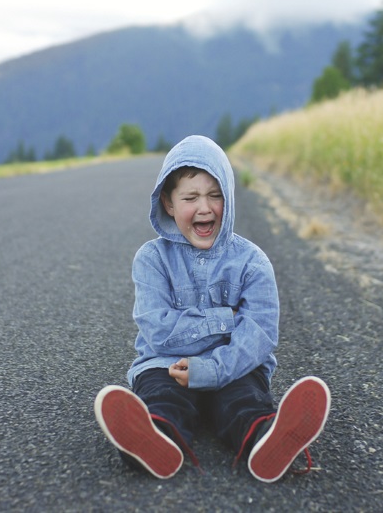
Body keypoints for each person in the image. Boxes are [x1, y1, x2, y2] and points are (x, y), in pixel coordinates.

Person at [94, 135, 330, 482]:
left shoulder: (252, 262)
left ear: (229, 200)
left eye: (215, 195)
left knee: (243, 402)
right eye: (190, 197)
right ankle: (151, 439)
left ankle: (269, 437)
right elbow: (158, 330)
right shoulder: (152, 259)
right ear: (169, 203)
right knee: (162, 398)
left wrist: (212, 370)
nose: (204, 208)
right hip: (166, 365)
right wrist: (225, 319)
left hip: (234, 366)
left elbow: (259, 336)